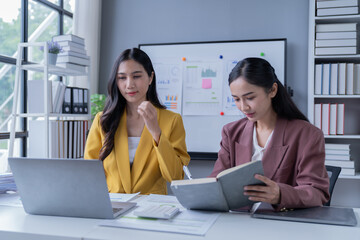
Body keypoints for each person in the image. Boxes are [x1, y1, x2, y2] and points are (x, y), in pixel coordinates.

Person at [210, 57, 329, 209]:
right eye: (237, 99)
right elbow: (217, 180)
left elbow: (317, 192)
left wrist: (281, 194)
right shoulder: (231, 132)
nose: (243, 107)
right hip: (238, 222)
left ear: (272, 90)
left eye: (250, 98)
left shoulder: (307, 134)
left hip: (282, 224)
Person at [84, 48, 190, 195]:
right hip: (112, 205)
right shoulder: (102, 120)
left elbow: (175, 177)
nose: (129, 85)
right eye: (122, 78)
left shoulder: (172, 120)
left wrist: (156, 132)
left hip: (151, 209)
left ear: (150, 78)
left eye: (136, 76)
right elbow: (89, 174)